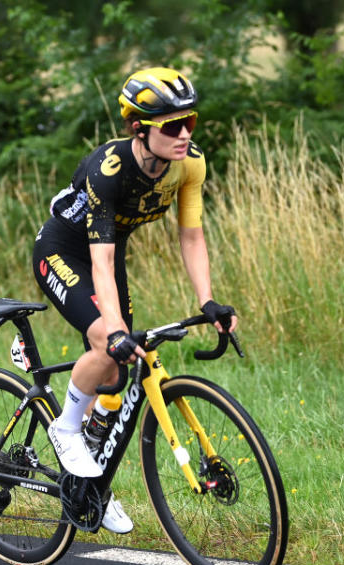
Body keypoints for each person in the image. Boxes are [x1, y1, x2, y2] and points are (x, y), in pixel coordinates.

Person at [32, 67, 238, 534]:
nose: (184, 134)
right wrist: (116, 329)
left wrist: (208, 301)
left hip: (109, 251)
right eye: (171, 126)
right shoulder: (109, 169)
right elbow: (99, 264)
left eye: (191, 123)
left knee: (121, 370)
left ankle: (91, 487)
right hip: (64, 251)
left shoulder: (190, 164)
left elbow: (192, 235)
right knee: (109, 341)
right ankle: (65, 427)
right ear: (137, 129)